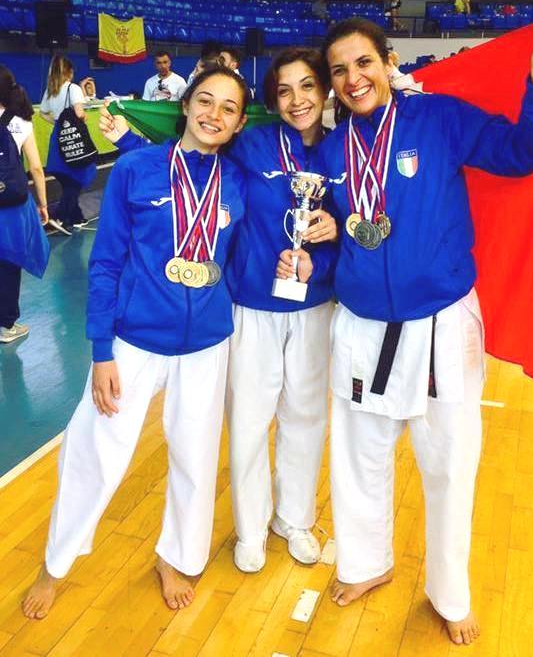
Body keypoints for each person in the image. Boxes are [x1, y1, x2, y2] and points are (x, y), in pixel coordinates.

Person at [317, 16, 533, 645]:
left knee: (450, 464)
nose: (353, 78)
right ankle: (366, 564)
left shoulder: (439, 119)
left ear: (388, 63)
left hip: (441, 323)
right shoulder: (329, 152)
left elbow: (522, 152)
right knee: (358, 456)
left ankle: (450, 592)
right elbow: (331, 232)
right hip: (363, 325)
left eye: (363, 63)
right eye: (340, 70)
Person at [22, 67, 250, 619]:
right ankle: (55, 563)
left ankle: (175, 558)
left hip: (206, 344)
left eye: (228, 108)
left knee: (195, 457)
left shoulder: (238, 181)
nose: (213, 115)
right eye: (205, 101)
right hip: (134, 340)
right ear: (185, 106)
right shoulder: (136, 169)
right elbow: (105, 263)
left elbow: (241, 259)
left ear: (240, 123)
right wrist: (101, 350)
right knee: (94, 450)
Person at [224, 48, 338, 573]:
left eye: (308, 86)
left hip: (314, 304)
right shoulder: (250, 144)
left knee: (306, 415)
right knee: (249, 418)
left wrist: (328, 244)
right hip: (253, 304)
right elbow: (194, 160)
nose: (298, 101)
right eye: (285, 91)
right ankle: (250, 527)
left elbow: (357, 226)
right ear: (273, 101)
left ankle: (293, 518)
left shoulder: (342, 152)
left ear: (325, 91)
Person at [0, 65, 49, 343]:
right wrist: (43, 204)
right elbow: (36, 168)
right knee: (9, 261)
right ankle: (6, 325)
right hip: (12, 207)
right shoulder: (21, 123)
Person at [39, 55, 94, 234]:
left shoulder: (50, 90)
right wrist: (84, 117)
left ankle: (77, 217)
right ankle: (59, 217)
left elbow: (42, 113)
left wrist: (58, 122)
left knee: (67, 179)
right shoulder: (73, 88)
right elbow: (79, 114)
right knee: (77, 179)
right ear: (69, 71)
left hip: (58, 138)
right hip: (74, 139)